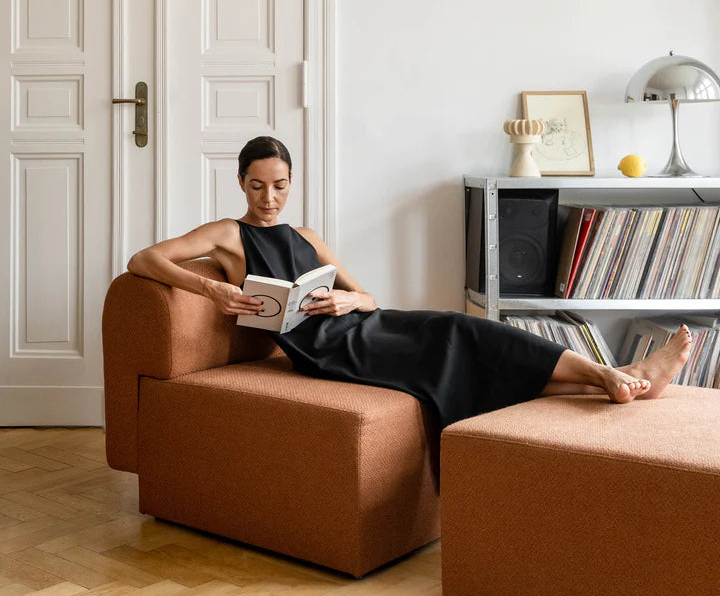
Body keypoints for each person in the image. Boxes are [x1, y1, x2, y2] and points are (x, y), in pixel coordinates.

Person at [127, 136, 693, 431]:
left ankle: (611, 379)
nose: (268, 198)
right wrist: (214, 291)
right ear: (241, 184)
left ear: (292, 181)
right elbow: (142, 259)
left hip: (363, 327)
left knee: (459, 334)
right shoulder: (227, 234)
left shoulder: (309, 236)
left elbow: (369, 298)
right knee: (456, 335)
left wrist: (348, 297)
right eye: (256, 187)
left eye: (278, 185)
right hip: (326, 354)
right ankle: (617, 375)